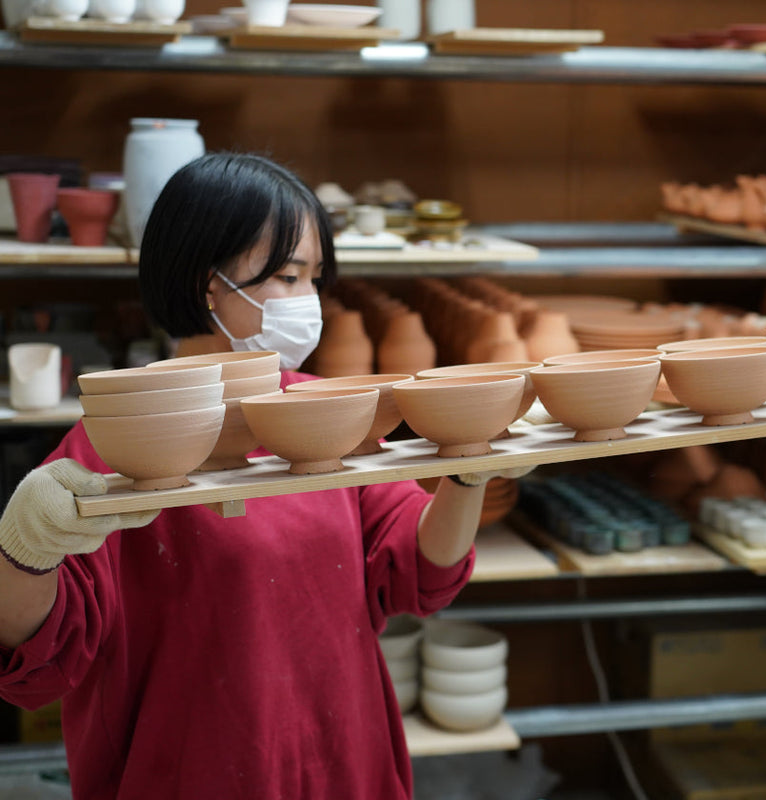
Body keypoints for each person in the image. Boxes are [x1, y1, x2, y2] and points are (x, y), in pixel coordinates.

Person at [0, 152, 531, 800]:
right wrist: (22, 553)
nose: (308, 299)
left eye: (314, 277)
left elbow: (419, 570)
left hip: (339, 765)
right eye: (285, 275)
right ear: (206, 283)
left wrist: (469, 474)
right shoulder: (115, 443)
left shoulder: (327, 414)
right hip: (190, 774)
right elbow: (37, 663)